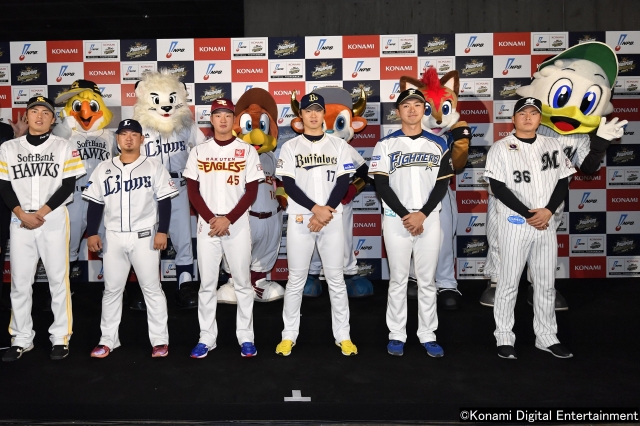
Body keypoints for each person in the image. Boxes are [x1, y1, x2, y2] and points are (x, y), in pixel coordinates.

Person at [484, 97, 575, 360]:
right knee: (508, 283)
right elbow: (498, 187)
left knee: (545, 284)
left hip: (545, 222)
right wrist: (528, 213)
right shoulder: (500, 148)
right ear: (513, 118)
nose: (527, 117)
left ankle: (547, 337)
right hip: (515, 223)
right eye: (522, 113)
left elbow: (562, 181)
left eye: (533, 113)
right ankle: (504, 336)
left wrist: (548, 211)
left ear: (539, 118)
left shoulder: (553, 145)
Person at [0, 96, 86, 362]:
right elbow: (4, 185)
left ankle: (60, 337)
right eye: (34, 111)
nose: (39, 116)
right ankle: (21, 338)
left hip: (53, 218)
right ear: (26, 117)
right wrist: (21, 214)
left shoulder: (64, 146)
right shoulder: (8, 148)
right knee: (20, 282)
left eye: (45, 113)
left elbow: (68, 185)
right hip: (20, 219)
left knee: (58, 280)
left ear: (52, 119)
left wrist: (40, 213)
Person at [370, 89, 453, 357]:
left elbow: (442, 185)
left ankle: (428, 334)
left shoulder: (438, 143)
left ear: (424, 109)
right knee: (398, 279)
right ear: (398, 111)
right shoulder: (385, 144)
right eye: (407, 105)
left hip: (429, 218)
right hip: (397, 219)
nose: (412, 109)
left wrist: (422, 214)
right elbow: (381, 185)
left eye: (418, 104)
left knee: (427, 280)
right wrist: (407, 215)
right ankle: (396, 334)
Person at [84, 119, 178, 358]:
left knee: (152, 289)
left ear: (141, 139)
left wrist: (163, 230)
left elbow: (164, 201)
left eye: (133, 134)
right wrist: (92, 232)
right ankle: (107, 340)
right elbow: (95, 203)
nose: (128, 138)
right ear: (117, 139)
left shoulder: (154, 166)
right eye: (124, 134)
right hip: (113, 236)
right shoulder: (104, 167)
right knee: (111, 290)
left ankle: (160, 341)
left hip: (144, 235)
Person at [274, 93, 357, 357]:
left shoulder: (339, 145)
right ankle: (288, 335)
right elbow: (288, 185)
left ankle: (343, 335)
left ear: (323, 114)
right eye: (308, 110)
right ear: (300, 115)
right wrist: (315, 209)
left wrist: (325, 210)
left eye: (317, 110)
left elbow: (344, 182)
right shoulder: (290, 147)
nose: (312, 115)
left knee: (336, 279)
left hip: (330, 219)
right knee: (296, 280)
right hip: (302, 220)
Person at [183, 98, 264, 358]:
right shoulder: (199, 151)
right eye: (218, 115)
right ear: (211, 119)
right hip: (208, 226)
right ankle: (206, 337)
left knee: (242, 283)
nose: (223, 119)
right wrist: (212, 219)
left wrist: (227, 219)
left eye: (228, 115)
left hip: (236, 225)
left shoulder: (247, 150)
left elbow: (251, 191)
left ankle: (246, 337)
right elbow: (192, 191)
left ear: (233, 119)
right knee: (207, 284)